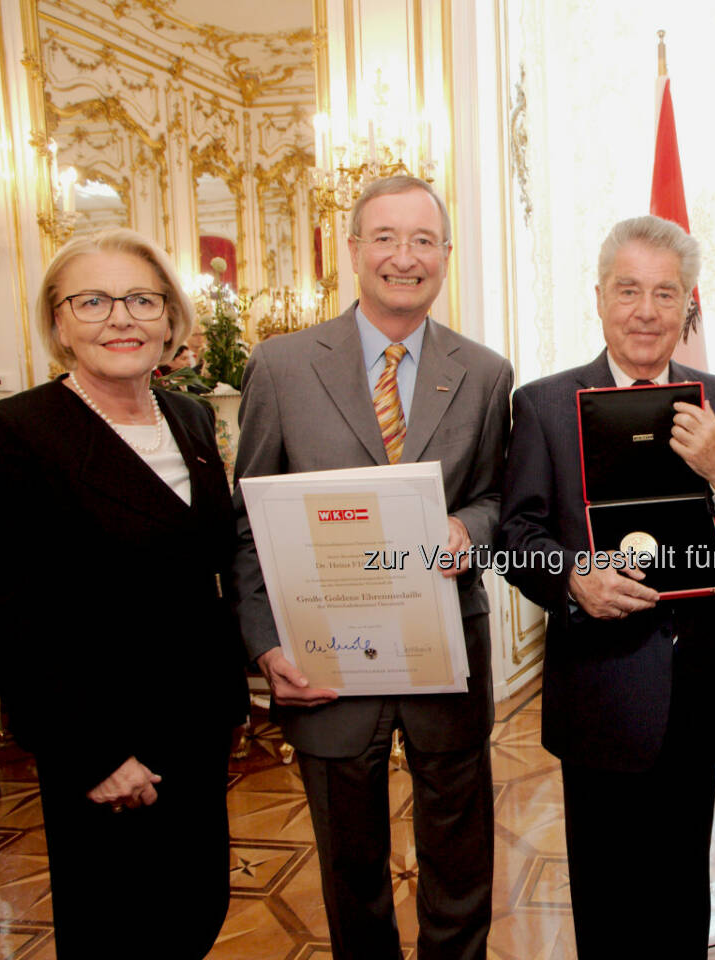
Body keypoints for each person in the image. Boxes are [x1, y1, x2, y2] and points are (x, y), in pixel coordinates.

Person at [233, 175, 511, 960]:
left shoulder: (485, 372)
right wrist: (265, 648)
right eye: (385, 237)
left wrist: (470, 526)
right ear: (351, 250)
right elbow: (248, 523)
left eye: (424, 240)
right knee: (349, 865)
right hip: (324, 658)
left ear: (446, 256)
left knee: (460, 855)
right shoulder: (282, 367)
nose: (404, 257)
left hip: (444, 648)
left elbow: (496, 495)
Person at [0, 228, 246, 957]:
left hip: (195, 729)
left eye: (143, 299)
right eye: (94, 300)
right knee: (120, 934)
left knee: (196, 912)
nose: (122, 318)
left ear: (171, 320)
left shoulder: (190, 417)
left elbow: (206, 563)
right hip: (104, 739)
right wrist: (93, 753)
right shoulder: (17, 431)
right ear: (58, 322)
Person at [495, 215, 715, 958]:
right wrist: (571, 580)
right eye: (629, 290)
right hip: (598, 696)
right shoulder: (547, 405)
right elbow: (517, 539)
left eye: (665, 293)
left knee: (682, 898)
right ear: (598, 298)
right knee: (607, 904)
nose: (646, 310)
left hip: (694, 694)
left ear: (689, 304)